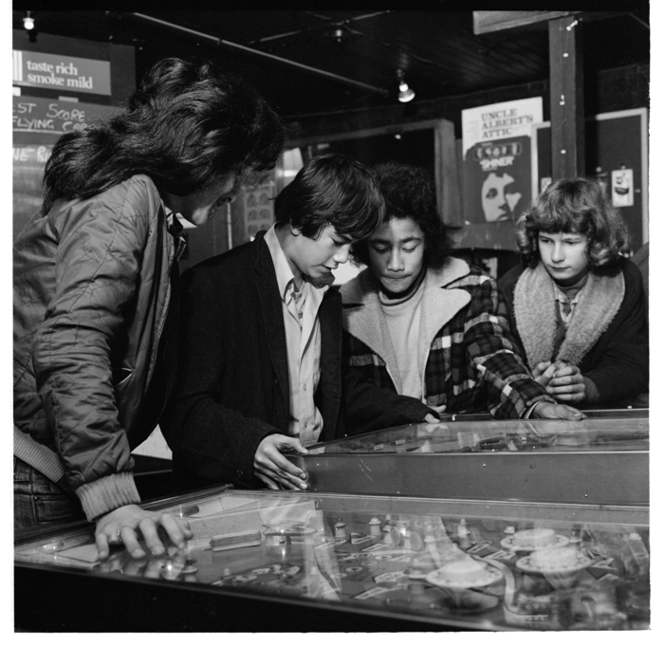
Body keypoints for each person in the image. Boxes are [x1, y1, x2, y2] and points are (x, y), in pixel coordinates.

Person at [13, 57, 285, 559]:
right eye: (239, 172)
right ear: (209, 155)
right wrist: (111, 494)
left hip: (49, 465)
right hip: (38, 469)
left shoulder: (140, 202)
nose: (238, 189)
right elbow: (71, 342)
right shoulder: (128, 197)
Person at [161, 154, 435, 492]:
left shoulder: (326, 296)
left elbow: (334, 389)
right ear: (300, 220)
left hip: (310, 491)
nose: (342, 258)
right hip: (237, 499)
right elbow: (183, 410)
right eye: (337, 242)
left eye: (351, 246)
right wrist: (252, 445)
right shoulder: (212, 285)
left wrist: (413, 414)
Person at [341, 161, 584, 420]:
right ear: (363, 246)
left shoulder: (472, 288)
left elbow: (495, 356)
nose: (396, 264)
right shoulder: (343, 305)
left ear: (428, 239)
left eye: (409, 247)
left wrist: (535, 405)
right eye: (381, 249)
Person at [499, 177, 649, 406]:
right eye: (546, 241)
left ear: (596, 240)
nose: (556, 256)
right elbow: (495, 368)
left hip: (602, 422)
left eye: (570, 242)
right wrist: (528, 387)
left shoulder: (626, 279)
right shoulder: (511, 286)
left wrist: (589, 386)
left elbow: (632, 366)